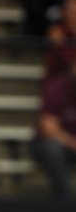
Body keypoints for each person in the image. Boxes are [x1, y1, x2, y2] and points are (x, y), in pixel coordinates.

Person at [32, 57, 76, 199]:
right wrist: (73, 143)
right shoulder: (57, 87)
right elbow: (49, 128)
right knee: (53, 149)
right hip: (55, 145)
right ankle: (65, 200)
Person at [45, 0, 76, 79]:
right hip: (60, 80)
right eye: (71, 12)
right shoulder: (57, 32)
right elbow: (69, 64)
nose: (73, 16)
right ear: (63, 13)